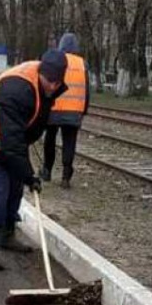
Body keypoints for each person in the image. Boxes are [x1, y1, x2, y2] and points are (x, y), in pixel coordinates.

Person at [0, 49, 67, 270]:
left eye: (58, 81)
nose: (53, 86)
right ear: (41, 72)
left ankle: (7, 234)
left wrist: (24, 174)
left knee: (15, 189)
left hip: (10, 138)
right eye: (50, 80)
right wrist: (29, 175)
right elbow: (11, 143)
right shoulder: (17, 89)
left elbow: (21, 135)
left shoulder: (47, 87)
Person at [39, 33, 90, 188]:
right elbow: (87, 90)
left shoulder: (56, 60)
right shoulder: (83, 64)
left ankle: (47, 170)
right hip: (74, 111)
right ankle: (66, 177)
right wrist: (84, 110)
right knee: (70, 142)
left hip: (54, 108)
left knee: (50, 138)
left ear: (61, 46)